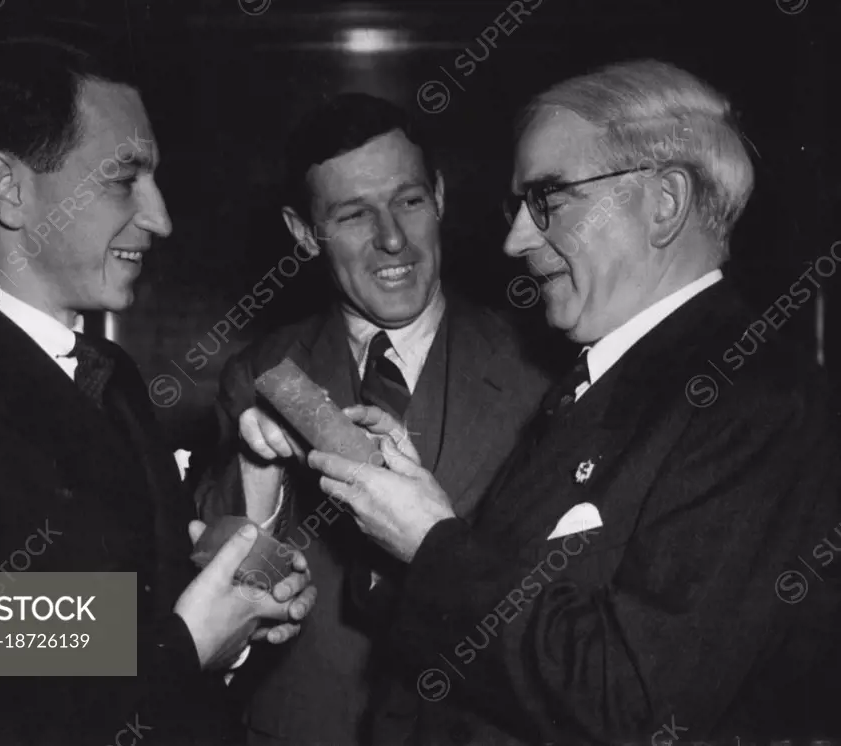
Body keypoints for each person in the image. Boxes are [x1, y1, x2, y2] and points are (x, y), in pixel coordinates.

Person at [299, 60, 841, 743]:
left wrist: (433, 541)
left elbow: (640, 701)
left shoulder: (757, 399)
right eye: (518, 205)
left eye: (549, 199)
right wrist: (412, 509)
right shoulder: (602, 381)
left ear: (664, 203)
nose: (516, 239)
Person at [0, 35, 316, 746]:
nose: (160, 218)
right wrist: (186, 643)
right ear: (8, 189)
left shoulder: (110, 373)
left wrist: (220, 568)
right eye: (126, 179)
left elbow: (75, 615)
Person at [192, 93, 550, 745]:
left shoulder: (541, 370)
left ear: (439, 196)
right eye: (354, 214)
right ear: (304, 233)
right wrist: (259, 493)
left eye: (409, 201)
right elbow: (227, 592)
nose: (392, 238)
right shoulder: (258, 375)